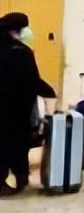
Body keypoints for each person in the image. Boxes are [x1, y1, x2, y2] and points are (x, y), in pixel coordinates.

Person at [0, 12, 45, 196]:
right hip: (17, 108)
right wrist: (49, 92)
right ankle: (20, 176)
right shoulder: (22, 52)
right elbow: (32, 80)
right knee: (18, 143)